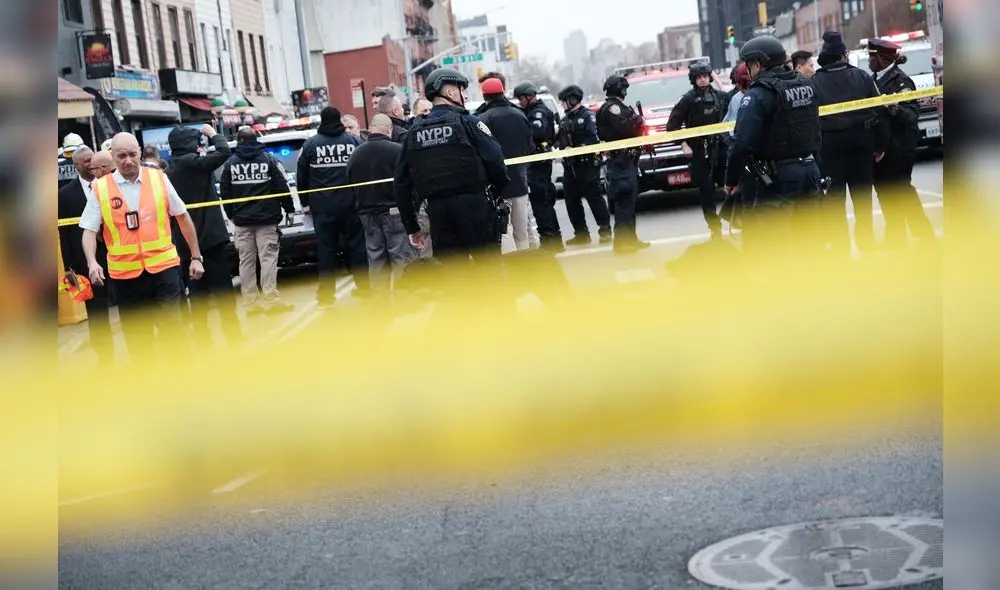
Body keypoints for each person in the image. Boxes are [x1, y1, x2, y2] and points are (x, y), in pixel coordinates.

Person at [79, 133, 204, 363]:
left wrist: (196, 257)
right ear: (113, 157)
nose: (128, 160)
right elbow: (88, 229)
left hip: (164, 269)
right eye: (121, 156)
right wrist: (92, 262)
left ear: (139, 153)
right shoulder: (100, 188)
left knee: (174, 333)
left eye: (132, 154)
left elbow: (182, 217)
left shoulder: (158, 179)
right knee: (138, 341)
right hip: (126, 277)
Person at [393, 67, 509, 268]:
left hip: (438, 213)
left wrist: (411, 226)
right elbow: (496, 161)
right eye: (461, 90)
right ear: (450, 92)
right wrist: (497, 191)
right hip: (475, 207)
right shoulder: (469, 123)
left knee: (453, 275)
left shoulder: (414, 132)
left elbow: (401, 182)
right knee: (490, 272)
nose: (465, 95)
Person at [724, 35, 823, 262]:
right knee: (809, 243)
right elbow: (815, 129)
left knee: (773, 248)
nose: (749, 70)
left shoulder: (759, 94)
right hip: (810, 171)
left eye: (750, 65)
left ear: (759, 64)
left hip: (778, 178)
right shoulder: (806, 84)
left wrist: (731, 180)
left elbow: (741, 143)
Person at [165, 123, 243, 348]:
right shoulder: (195, 163)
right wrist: (212, 133)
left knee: (197, 294)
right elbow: (224, 151)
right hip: (211, 238)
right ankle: (233, 335)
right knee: (222, 291)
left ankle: (202, 339)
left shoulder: (168, 171)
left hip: (185, 242)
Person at [811, 30, 888, 255]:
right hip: (861, 145)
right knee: (862, 199)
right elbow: (879, 111)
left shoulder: (814, 82)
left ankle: (840, 250)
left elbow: (809, 120)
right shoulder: (862, 77)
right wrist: (881, 144)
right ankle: (866, 246)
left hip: (829, 149)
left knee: (834, 202)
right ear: (842, 55)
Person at [297, 106, 370, 305]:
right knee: (357, 247)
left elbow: (301, 176)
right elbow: (364, 169)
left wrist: (305, 203)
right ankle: (365, 287)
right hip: (351, 205)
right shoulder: (353, 141)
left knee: (326, 250)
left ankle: (326, 295)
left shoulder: (311, 145)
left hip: (323, 207)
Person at [867, 37, 936, 249]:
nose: (869, 61)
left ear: (881, 58)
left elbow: (912, 114)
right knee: (886, 193)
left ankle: (921, 235)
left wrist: (897, 110)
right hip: (880, 150)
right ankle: (900, 237)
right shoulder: (872, 80)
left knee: (902, 192)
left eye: (871, 57)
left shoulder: (901, 81)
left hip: (899, 149)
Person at [220, 126, 296, 314]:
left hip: (242, 221)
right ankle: (271, 301)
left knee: (246, 261)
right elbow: (281, 186)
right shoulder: (269, 160)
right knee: (268, 259)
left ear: (239, 141)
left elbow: (225, 193)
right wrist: (289, 209)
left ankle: (251, 304)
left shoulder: (230, 164)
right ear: (256, 139)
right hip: (267, 220)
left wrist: (232, 216)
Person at [348, 114, 416, 297]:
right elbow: (410, 181)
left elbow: (350, 184)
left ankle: (380, 302)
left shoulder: (356, 154)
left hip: (367, 214)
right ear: (389, 129)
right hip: (395, 212)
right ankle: (405, 298)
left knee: (376, 259)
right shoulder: (397, 151)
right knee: (401, 256)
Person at [58, 145, 114, 365]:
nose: (91, 165)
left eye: (93, 159)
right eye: (86, 161)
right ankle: (104, 357)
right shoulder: (65, 195)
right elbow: (64, 233)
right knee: (98, 312)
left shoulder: (110, 185)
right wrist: (69, 267)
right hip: (86, 261)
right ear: (76, 166)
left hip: (117, 255)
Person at [666, 62, 729, 238]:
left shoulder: (722, 97)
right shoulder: (687, 100)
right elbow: (672, 126)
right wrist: (683, 143)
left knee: (733, 183)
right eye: (698, 77)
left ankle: (733, 215)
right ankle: (714, 227)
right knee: (706, 192)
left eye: (705, 76)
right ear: (693, 80)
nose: (702, 80)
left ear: (710, 77)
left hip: (720, 148)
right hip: (699, 151)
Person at [476, 76, 534, 252]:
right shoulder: (519, 115)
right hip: (520, 182)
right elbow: (530, 146)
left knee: (504, 231)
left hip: (497, 186)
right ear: (502, 92)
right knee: (522, 231)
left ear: (485, 96)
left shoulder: (482, 119)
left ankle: (510, 266)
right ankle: (526, 263)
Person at [597, 74, 650, 253]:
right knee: (623, 202)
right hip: (620, 161)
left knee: (630, 201)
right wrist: (637, 120)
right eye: (624, 87)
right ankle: (621, 244)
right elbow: (623, 129)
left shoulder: (620, 107)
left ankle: (631, 240)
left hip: (628, 161)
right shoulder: (612, 108)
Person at [556, 84, 612, 245]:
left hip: (587, 165)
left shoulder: (588, 116)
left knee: (594, 198)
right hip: (570, 166)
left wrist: (578, 149)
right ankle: (581, 233)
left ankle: (605, 230)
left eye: (564, 101)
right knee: (571, 201)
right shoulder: (564, 120)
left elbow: (593, 138)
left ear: (572, 100)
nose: (562, 104)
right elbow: (560, 141)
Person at [514, 80, 564, 251]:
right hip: (536, 163)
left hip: (539, 164)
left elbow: (536, 131)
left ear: (530, 96)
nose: (520, 102)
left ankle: (550, 240)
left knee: (541, 201)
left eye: (522, 99)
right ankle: (554, 239)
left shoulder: (539, 113)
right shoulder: (529, 111)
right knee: (544, 201)